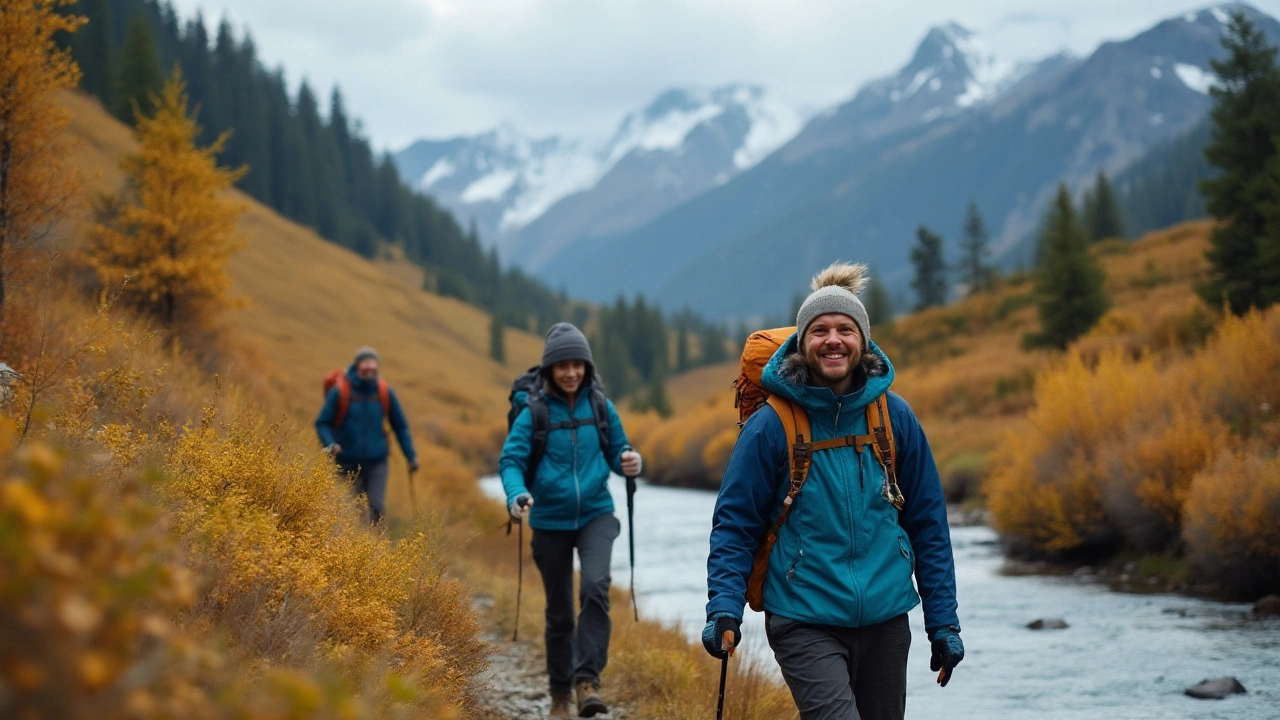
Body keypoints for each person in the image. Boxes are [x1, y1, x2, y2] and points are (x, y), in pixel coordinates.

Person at [702, 263, 963, 720]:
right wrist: (723, 608)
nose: (833, 339)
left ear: (863, 341)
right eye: (819, 330)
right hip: (804, 616)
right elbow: (735, 523)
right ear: (803, 344)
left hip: (886, 618)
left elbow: (927, 523)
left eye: (845, 328)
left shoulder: (894, 417)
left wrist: (942, 622)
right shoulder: (771, 425)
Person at [500, 323, 643, 719]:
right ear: (549, 369)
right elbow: (511, 460)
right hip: (548, 519)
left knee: (596, 587)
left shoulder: (600, 406)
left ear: (586, 366)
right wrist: (516, 495)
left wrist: (631, 461)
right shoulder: (534, 411)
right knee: (560, 612)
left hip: (596, 513)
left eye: (577, 364)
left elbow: (619, 451)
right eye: (561, 365)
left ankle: (587, 682)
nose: (570, 373)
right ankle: (560, 694)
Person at [316, 346, 418, 524]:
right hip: (346, 462)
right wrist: (330, 444)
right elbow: (322, 423)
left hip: (377, 462)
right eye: (366, 363)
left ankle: (374, 547)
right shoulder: (341, 391)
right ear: (357, 365)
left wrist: (411, 457)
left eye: (373, 364)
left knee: (376, 507)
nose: (370, 367)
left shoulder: (384, 392)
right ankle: (354, 548)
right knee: (351, 509)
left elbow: (400, 426)